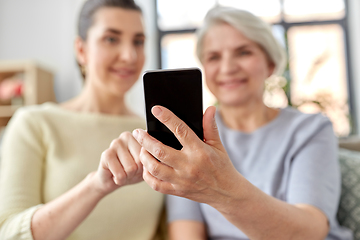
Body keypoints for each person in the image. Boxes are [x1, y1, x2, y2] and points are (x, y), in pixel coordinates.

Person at [131, 7, 353, 240]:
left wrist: (221, 189)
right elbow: (186, 232)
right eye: (214, 57)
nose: (227, 68)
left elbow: (310, 231)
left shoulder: (309, 130)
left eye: (243, 52)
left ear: (269, 63)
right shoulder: (190, 141)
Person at [0, 0, 164, 239]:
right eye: (111, 39)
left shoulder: (152, 132)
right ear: (81, 50)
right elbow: (8, 233)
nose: (130, 55)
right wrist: (96, 186)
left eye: (138, 41)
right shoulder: (34, 124)